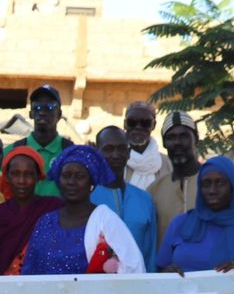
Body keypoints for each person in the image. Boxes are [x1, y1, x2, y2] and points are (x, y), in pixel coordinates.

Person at [20, 145, 145, 276]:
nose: (71, 182)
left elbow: (132, 267)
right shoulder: (45, 222)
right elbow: (29, 272)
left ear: (91, 182)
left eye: (80, 176)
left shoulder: (105, 220)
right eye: (66, 175)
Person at [158, 157, 234, 275]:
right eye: (206, 184)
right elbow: (160, 270)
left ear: (232, 187)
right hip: (181, 291)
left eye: (220, 183)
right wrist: (168, 272)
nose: (212, 190)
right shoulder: (180, 223)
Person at [91, 125, 158, 268]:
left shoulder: (145, 199)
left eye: (121, 148)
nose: (115, 155)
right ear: (97, 153)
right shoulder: (87, 198)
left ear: (128, 153)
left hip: (138, 285)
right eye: (108, 149)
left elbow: (151, 252)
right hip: (96, 286)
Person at [0, 146, 59, 275]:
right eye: (15, 174)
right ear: (7, 176)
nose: (22, 181)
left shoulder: (52, 207)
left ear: (38, 177)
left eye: (29, 174)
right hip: (1, 287)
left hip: (41, 284)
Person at [7, 85, 73, 197]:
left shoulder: (70, 151)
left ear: (60, 114)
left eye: (50, 107)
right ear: (30, 114)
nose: (42, 112)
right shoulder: (12, 152)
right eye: (37, 107)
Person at [148, 111, 201, 245]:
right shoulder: (154, 190)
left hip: (209, 265)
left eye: (184, 136)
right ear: (164, 143)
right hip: (165, 265)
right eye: (171, 137)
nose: (177, 142)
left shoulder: (212, 183)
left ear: (196, 138)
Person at [123, 101, 170, 190]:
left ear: (154, 125)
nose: (138, 127)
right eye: (132, 122)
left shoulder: (167, 164)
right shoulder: (115, 161)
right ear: (125, 124)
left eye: (145, 123)